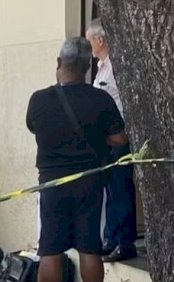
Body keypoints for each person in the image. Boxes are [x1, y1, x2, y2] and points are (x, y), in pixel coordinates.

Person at [26, 37, 127, 282]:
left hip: (52, 184)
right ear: (87, 67)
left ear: (59, 64)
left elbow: (33, 126)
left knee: (50, 248)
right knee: (90, 247)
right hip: (89, 183)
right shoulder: (100, 99)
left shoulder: (39, 100)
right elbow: (120, 138)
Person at [86, 18, 137, 262]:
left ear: (100, 39)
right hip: (104, 140)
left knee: (120, 188)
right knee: (110, 188)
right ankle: (111, 238)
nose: (89, 46)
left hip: (120, 137)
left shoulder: (117, 65)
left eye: (90, 40)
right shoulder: (101, 66)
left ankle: (125, 241)